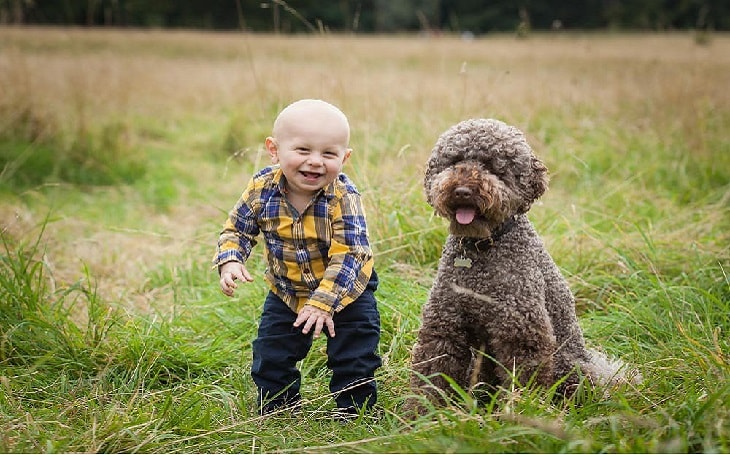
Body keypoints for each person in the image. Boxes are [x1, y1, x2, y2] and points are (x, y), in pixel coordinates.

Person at [213, 99, 381, 418]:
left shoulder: (343, 197)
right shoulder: (262, 188)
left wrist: (323, 302)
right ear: (274, 150)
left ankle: (355, 411)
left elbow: (352, 253)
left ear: (344, 158)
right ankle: (279, 410)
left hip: (347, 292)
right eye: (303, 150)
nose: (315, 162)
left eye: (328, 154)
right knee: (271, 354)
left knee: (355, 354)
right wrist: (231, 259)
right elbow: (237, 226)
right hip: (287, 291)